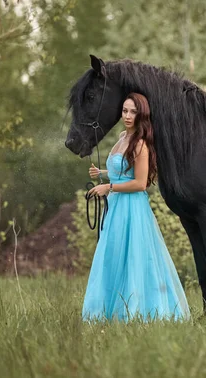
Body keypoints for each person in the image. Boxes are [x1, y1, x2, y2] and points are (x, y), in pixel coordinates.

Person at [82, 92, 190, 323]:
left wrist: (108, 187)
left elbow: (140, 183)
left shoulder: (140, 144)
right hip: (117, 206)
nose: (128, 116)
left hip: (132, 207)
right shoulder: (122, 137)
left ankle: (136, 310)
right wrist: (101, 174)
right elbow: (123, 172)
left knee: (133, 256)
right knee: (113, 254)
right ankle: (109, 311)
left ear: (141, 114)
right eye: (125, 111)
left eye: (133, 111)